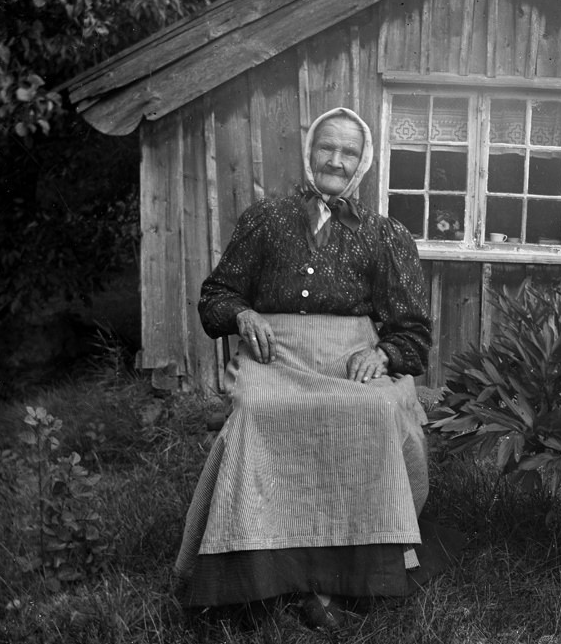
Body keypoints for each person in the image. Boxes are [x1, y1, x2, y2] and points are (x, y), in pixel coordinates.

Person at [174, 107, 437, 631]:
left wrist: (383, 354)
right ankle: (258, 575)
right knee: (259, 411)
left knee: (379, 412)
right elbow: (216, 298)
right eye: (327, 148)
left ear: (362, 162)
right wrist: (243, 313)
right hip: (278, 357)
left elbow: (413, 329)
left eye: (349, 152)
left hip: (350, 358)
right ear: (309, 151)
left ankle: (356, 577)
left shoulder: (385, 235)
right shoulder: (265, 220)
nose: (336, 161)